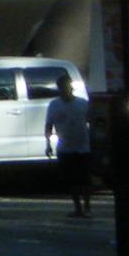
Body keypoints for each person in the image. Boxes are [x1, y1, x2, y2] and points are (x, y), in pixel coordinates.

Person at [46, 75, 93, 218]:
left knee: (84, 179)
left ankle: (87, 206)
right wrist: (48, 145)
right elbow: (49, 125)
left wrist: (93, 141)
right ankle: (77, 207)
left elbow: (92, 121)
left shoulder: (82, 103)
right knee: (71, 180)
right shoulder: (54, 105)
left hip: (83, 147)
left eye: (67, 86)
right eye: (62, 87)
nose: (65, 89)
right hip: (65, 148)